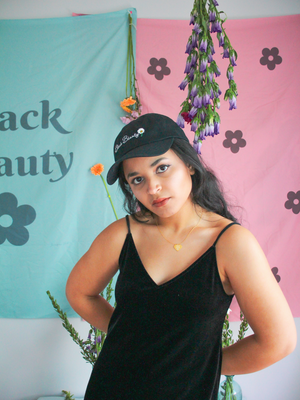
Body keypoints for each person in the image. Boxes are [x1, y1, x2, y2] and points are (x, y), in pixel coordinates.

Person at [66, 113, 296, 400]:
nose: (153, 188)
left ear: (189, 164)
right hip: (109, 388)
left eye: (162, 168)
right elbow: (79, 292)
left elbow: (279, 342)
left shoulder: (231, 243)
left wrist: (200, 362)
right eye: (137, 179)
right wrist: (129, 337)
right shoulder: (121, 234)